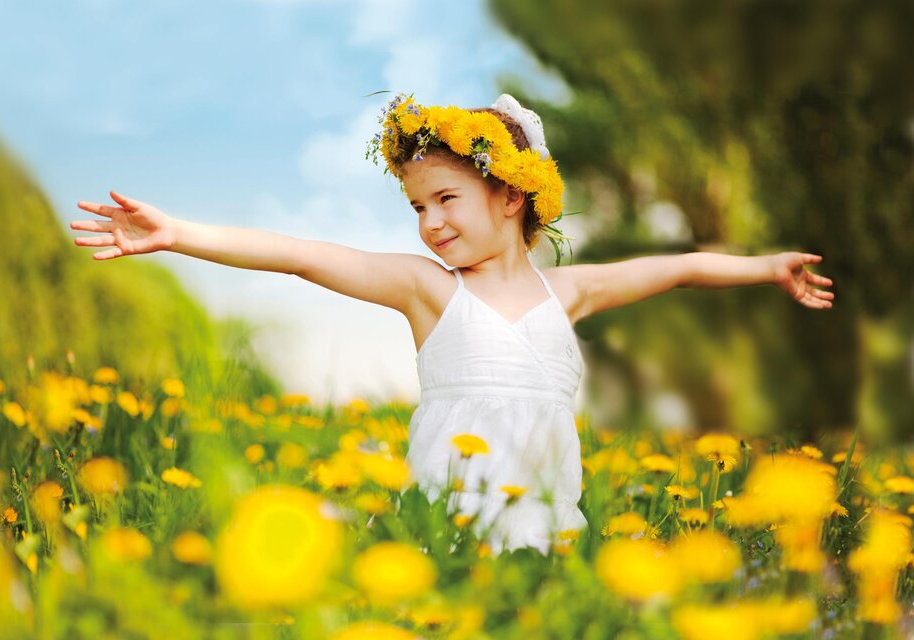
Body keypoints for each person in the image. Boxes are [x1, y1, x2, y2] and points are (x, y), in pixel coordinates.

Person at [70, 92, 835, 557]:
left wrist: (767, 267)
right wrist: (178, 231)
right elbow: (304, 255)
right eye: (417, 208)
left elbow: (679, 267)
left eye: (446, 200)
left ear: (510, 196)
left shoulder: (570, 293)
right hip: (445, 527)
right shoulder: (427, 292)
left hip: (546, 528)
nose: (430, 223)